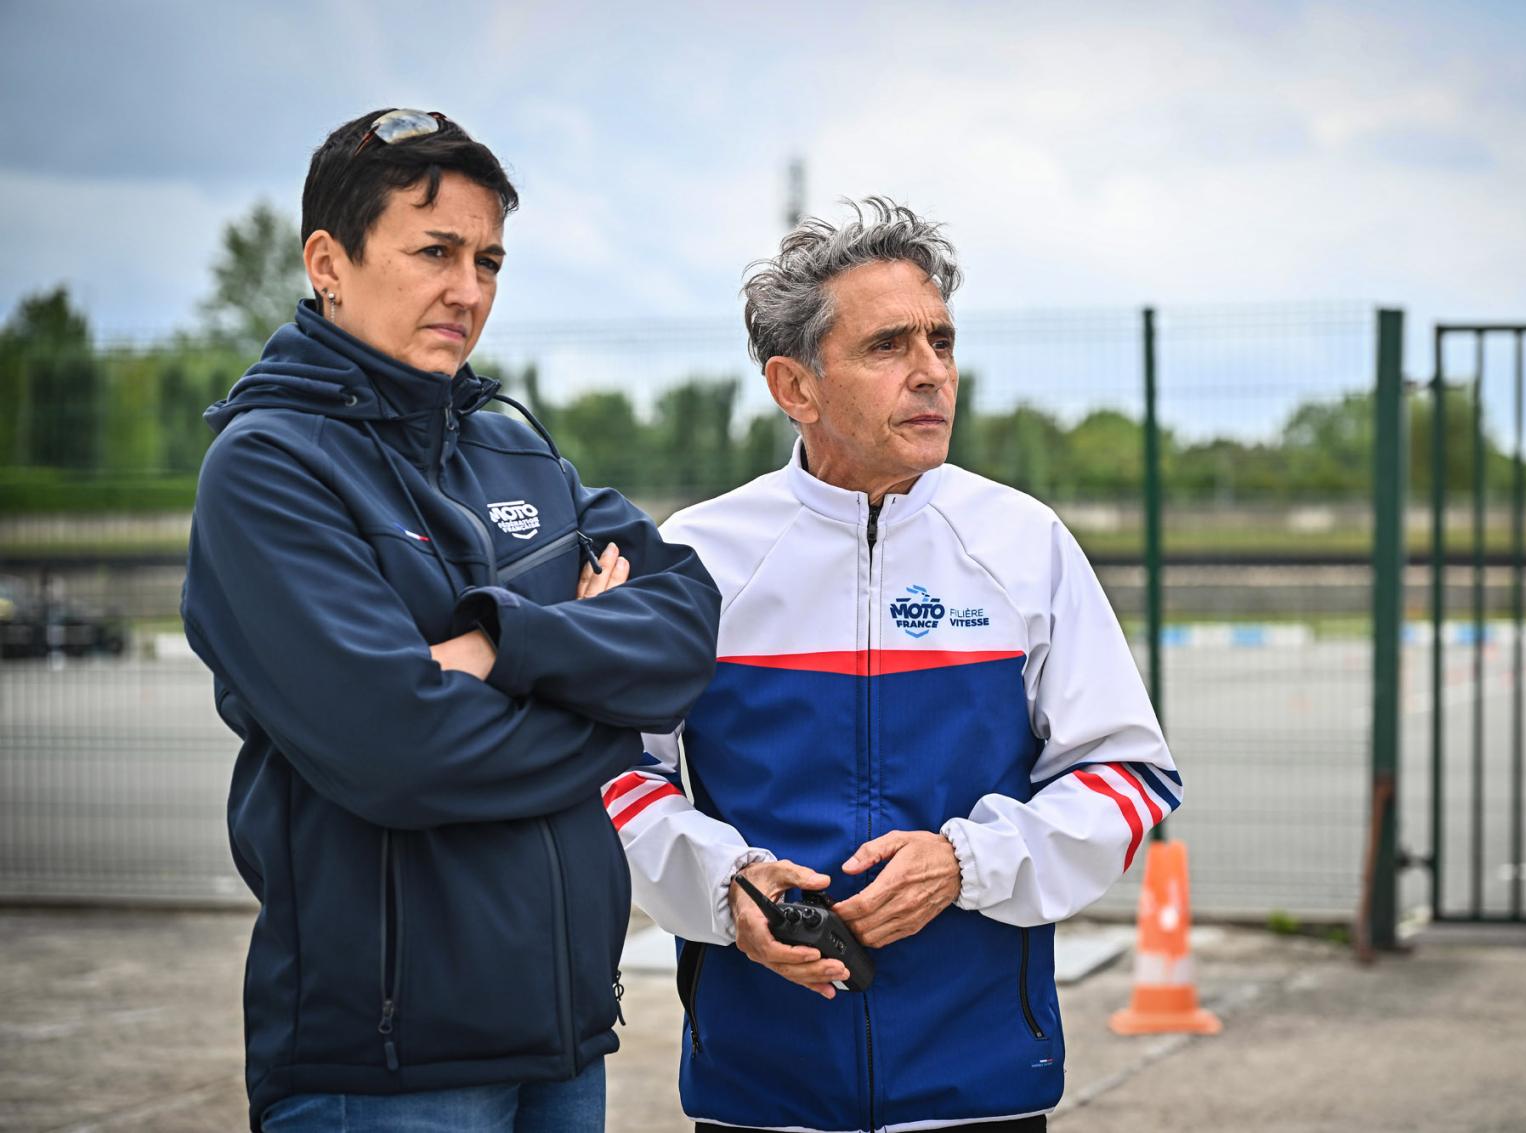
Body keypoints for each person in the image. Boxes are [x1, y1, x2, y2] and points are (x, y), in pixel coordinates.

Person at [181, 108, 720, 1132]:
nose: (468, 290)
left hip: (566, 1041)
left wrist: (501, 645)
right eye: (434, 252)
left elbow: (685, 621)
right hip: (386, 1067)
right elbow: (401, 750)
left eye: (488, 260)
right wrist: (606, 714)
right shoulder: (268, 468)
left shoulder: (515, 451)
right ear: (328, 263)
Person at [606, 198, 1182, 1132]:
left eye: (941, 341)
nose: (932, 372)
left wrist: (965, 862)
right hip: (761, 1092)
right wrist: (725, 884)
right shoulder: (700, 555)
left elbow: (1127, 773)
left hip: (980, 1088)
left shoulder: (1024, 541)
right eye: (888, 346)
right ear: (795, 386)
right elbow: (618, 774)